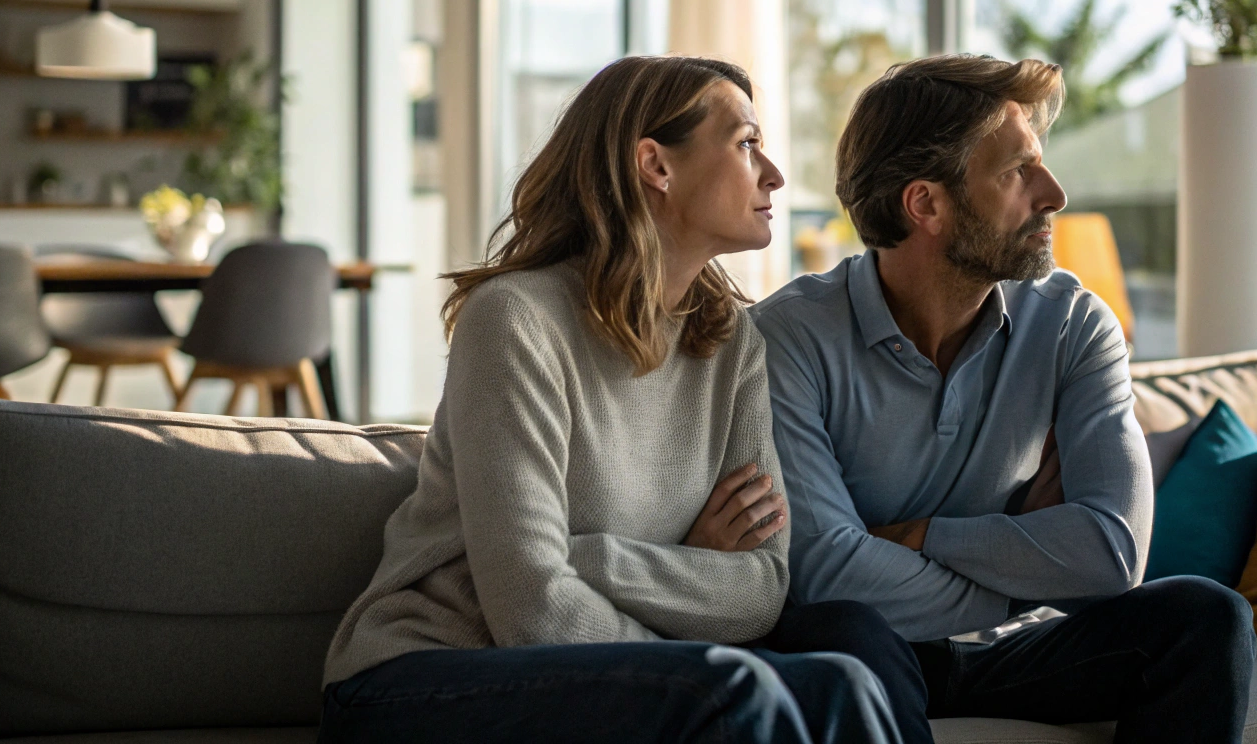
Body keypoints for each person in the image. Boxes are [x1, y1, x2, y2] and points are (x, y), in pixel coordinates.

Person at [319, 55, 929, 744]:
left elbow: (758, 591)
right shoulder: (515, 321)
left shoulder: (731, 346)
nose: (775, 176)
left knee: (853, 651)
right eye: (747, 143)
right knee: (733, 689)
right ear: (656, 166)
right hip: (426, 680)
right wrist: (685, 584)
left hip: (611, 668)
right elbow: (531, 611)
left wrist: (589, 556)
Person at [752, 55, 1257, 744]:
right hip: (875, 649)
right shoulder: (788, 338)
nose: (1053, 193)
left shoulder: (1074, 324)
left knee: (1208, 618)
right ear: (925, 203)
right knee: (841, 631)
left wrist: (928, 535)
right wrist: (1031, 569)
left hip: (1022, 649)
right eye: (1017, 171)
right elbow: (827, 573)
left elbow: (1112, 553)